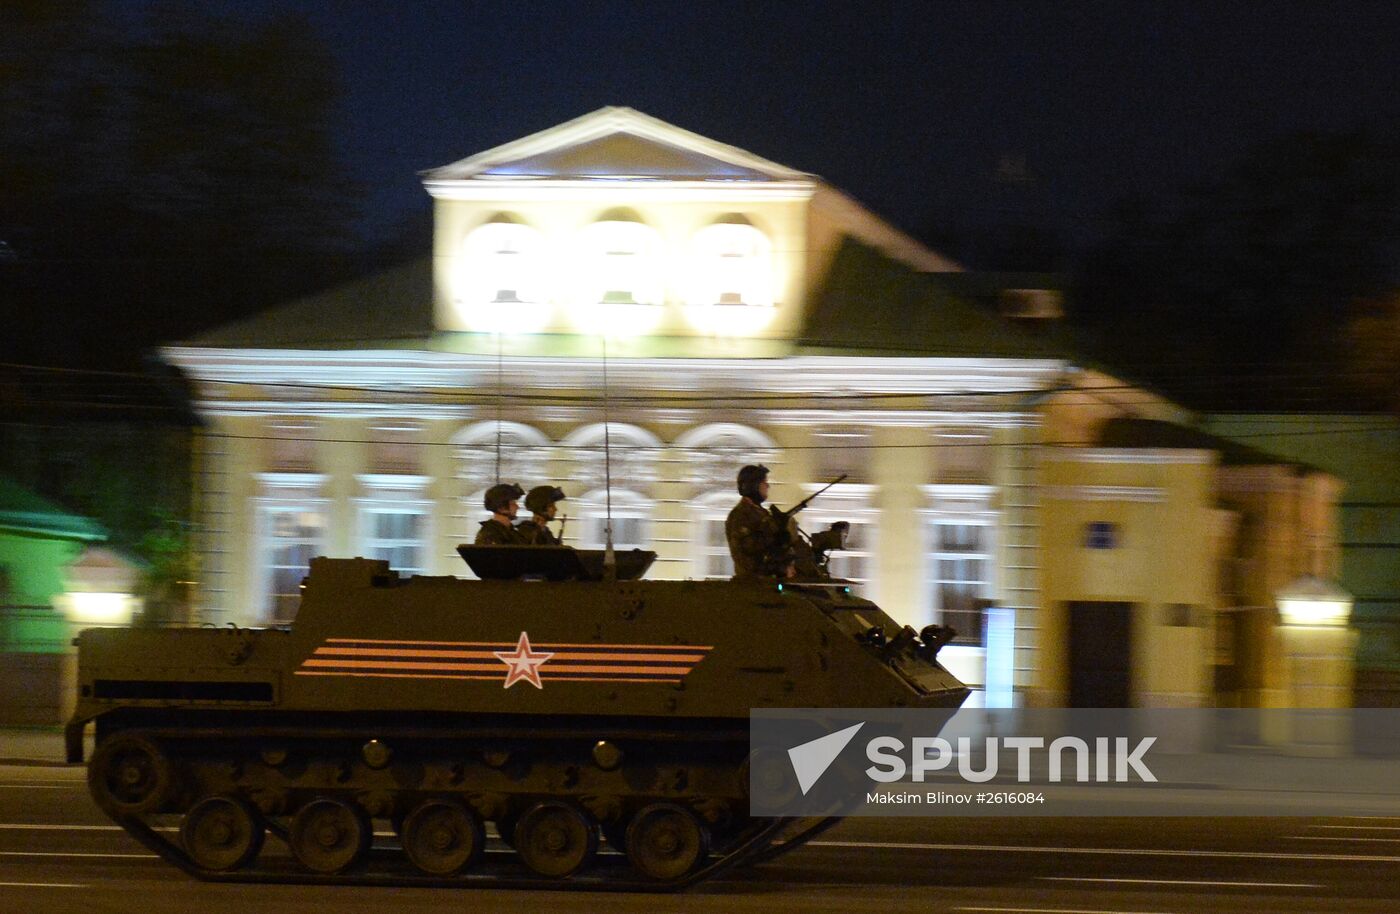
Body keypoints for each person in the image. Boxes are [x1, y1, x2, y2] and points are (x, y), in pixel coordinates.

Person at [725, 464, 793, 579]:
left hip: (768, 579)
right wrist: (774, 535)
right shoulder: (741, 515)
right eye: (764, 482)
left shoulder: (761, 513)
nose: (767, 486)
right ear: (753, 485)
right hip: (752, 582)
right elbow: (748, 548)